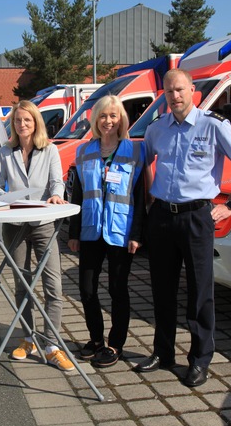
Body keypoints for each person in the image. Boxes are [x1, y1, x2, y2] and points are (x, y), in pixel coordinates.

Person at [135, 69, 231, 387]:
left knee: (200, 293)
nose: (174, 96)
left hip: (197, 218)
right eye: (168, 91)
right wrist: (148, 202)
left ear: (192, 90)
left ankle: (200, 360)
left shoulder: (213, 125)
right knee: (162, 290)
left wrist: (229, 205)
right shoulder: (157, 128)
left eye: (179, 90)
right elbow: (142, 162)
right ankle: (163, 352)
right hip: (162, 217)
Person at [0, 100, 73, 372]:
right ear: (13, 124)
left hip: (43, 223)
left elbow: (56, 182)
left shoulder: (49, 149)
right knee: (22, 284)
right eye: (17, 121)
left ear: (36, 122)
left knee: (53, 285)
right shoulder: (5, 151)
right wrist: (8, 199)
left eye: (27, 120)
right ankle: (28, 339)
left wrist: (56, 196)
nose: (22, 124)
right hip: (14, 225)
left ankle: (51, 344)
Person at [67, 95, 146, 369]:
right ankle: (96, 339)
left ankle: (116, 344)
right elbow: (77, 194)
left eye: (113, 116)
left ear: (121, 119)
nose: (108, 121)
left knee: (117, 289)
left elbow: (140, 195)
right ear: (95, 120)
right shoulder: (85, 151)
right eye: (103, 116)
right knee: (86, 289)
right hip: (90, 229)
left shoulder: (135, 151)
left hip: (120, 232)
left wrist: (137, 234)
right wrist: (73, 232)